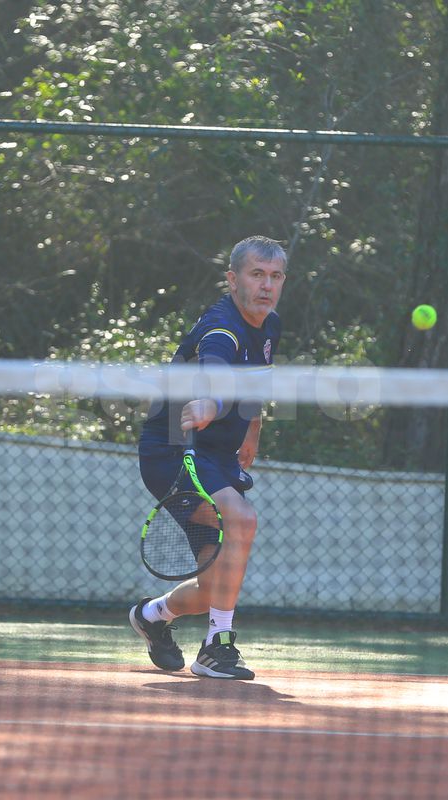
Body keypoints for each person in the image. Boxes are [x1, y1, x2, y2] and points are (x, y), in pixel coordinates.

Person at [130, 235, 287, 680]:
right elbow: (217, 375)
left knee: (212, 586)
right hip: (175, 450)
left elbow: (256, 379)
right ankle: (217, 648)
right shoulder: (222, 328)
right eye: (257, 274)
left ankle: (152, 615)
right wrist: (213, 406)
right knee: (242, 519)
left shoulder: (269, 323)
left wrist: (252, 429)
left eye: (275, 276)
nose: (266, 285)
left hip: (215, 453)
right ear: (232, 279)